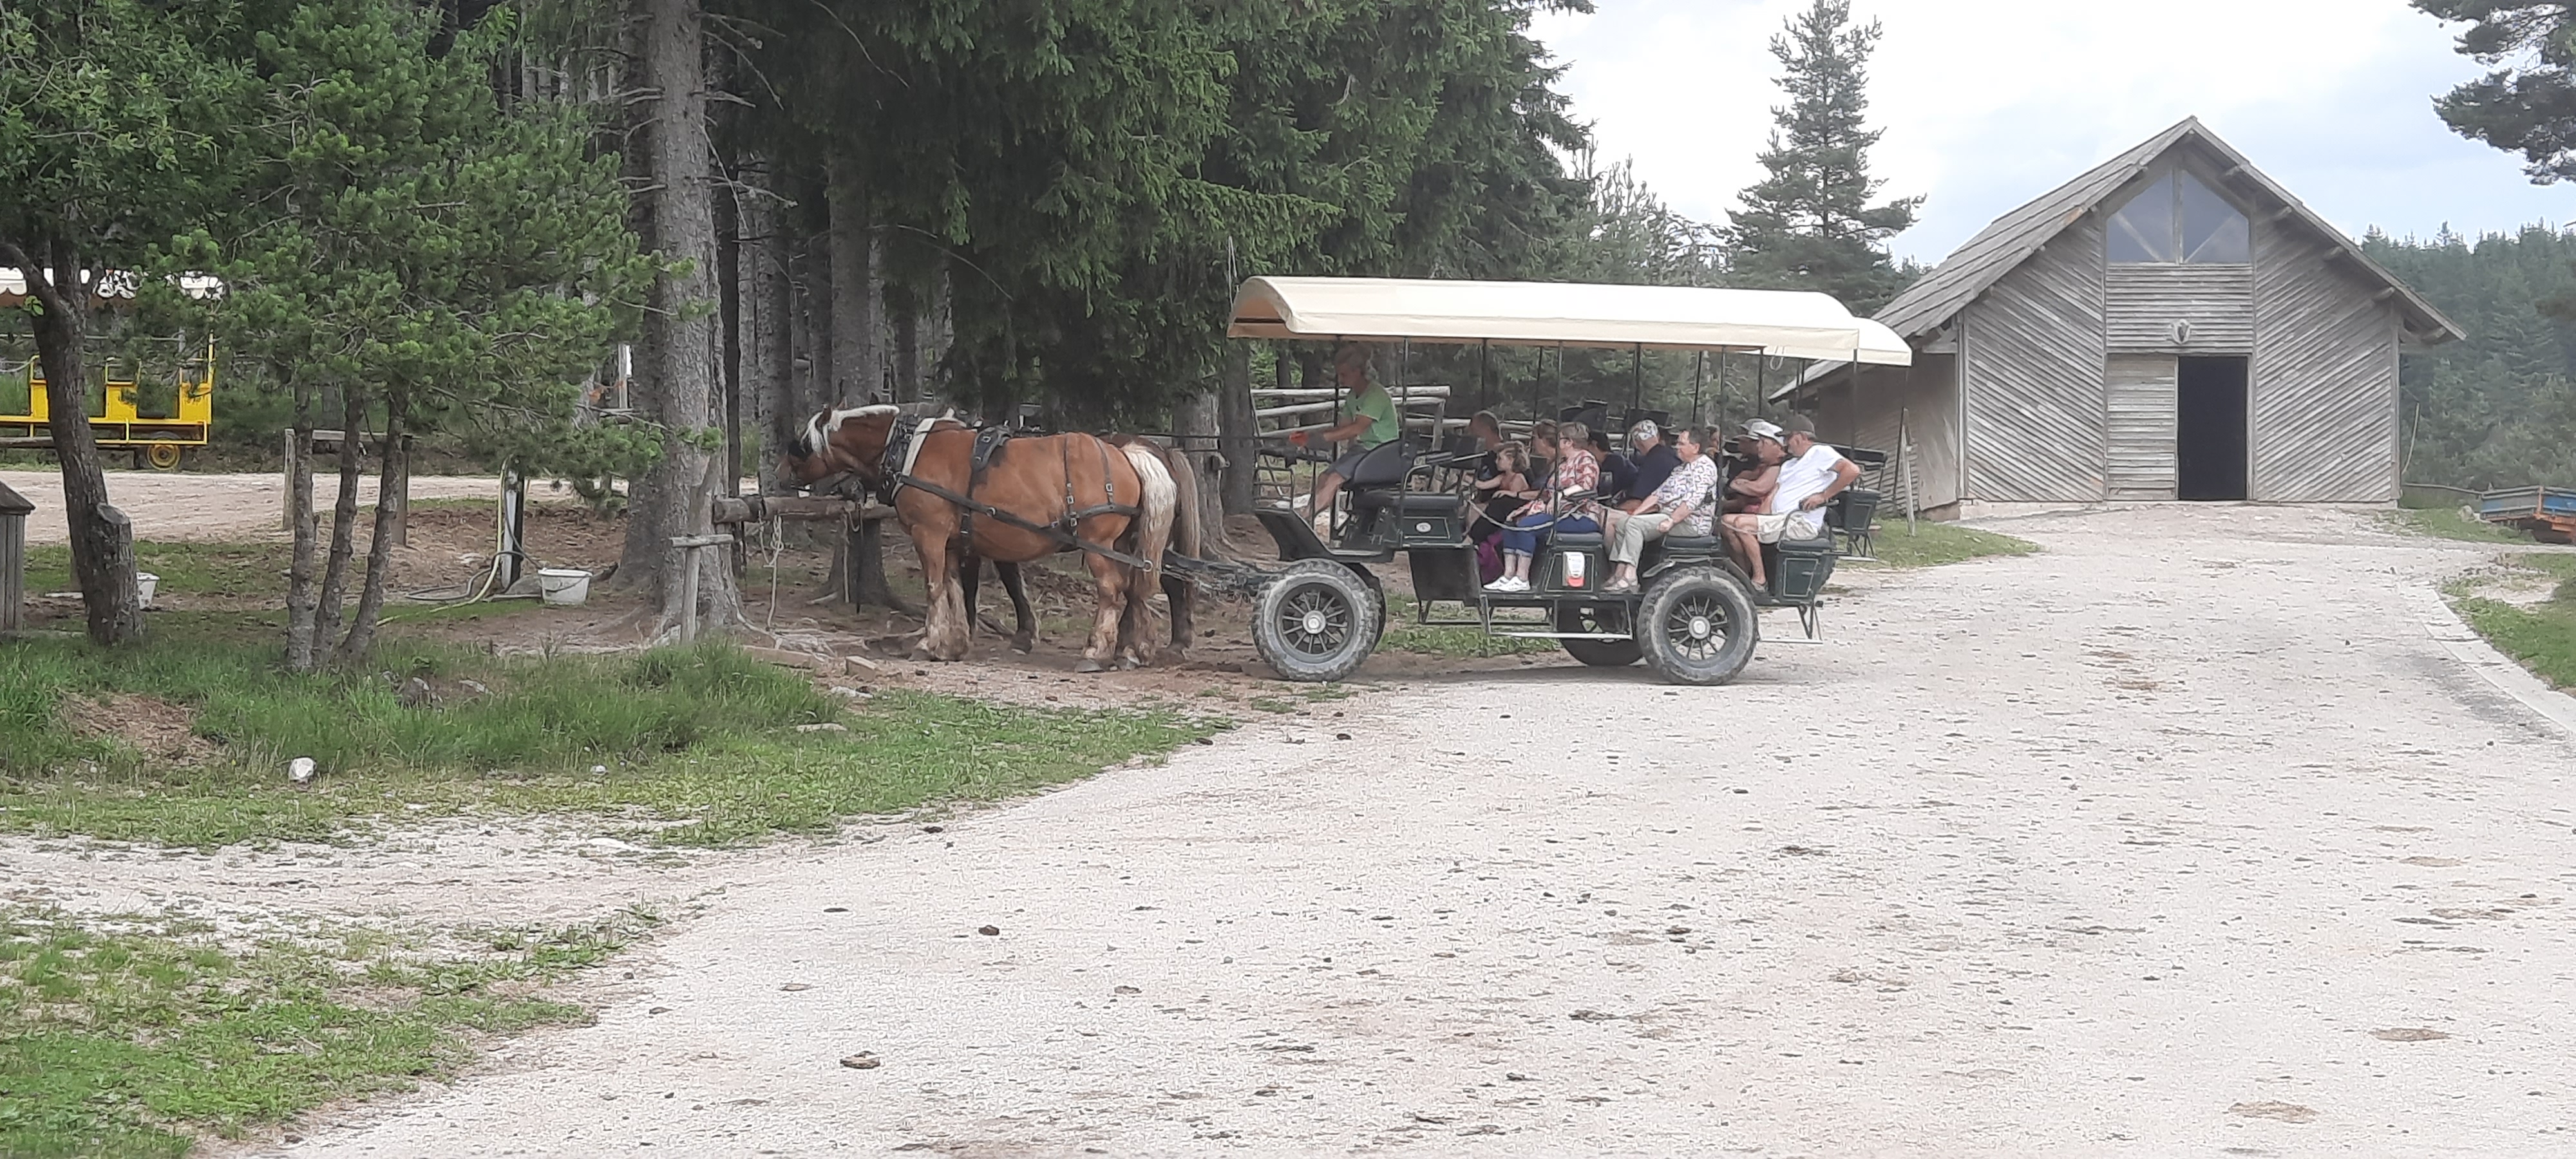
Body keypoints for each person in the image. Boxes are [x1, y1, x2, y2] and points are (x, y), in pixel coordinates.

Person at [1720, 414, 1860, 589]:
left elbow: (1852, 470)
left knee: (1742, 524)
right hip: (1780, 519)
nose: (1786, 444)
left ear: (1800, 437)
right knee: (1727, 522)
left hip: (1800, 521)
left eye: (1788, 438)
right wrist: (1763, 516)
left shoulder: (1820, 452)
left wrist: (1823, 496)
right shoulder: (1789, 465)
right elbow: (1775, 494)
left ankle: (1759, 579)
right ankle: (1743, 574)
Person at [1288, 343, 1402, 520]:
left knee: (1334, 478)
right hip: (1364, 450)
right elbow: (1343, 428)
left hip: (1382, 452)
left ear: (1358, 372)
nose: (1340, 379)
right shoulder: (1352, 396)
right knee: (1324, 476)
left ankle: (1306, 516)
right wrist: (1310, 436)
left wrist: (1322, 439)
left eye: (1344, 374)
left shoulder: (1376, 395)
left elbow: (1357, 428)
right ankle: (1308, 513)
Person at [1600, 425, 1720, 592]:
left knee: (1634, 525)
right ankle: (1619, 573)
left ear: (1695, 447)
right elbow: (1658, 495)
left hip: (1690, 523)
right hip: (1669, 515)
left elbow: (1691, 502)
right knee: (1623, 523)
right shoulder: (1681, 468)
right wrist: (1637, 512)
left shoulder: (1704, 468)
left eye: (1681, 444)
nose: (1677, 447)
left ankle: (1631, 577)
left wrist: (1671, 521)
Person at [1486, 420, 1602, 593]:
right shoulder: (1562, 463)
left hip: (1578, 514)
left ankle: (1522, 578)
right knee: (1512, 522)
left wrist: (1563, 494)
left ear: (1569, 442)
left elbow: (1586, 485)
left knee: (1527, 526)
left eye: (1560, 438)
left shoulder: (1585, 459)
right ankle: (1508, 575)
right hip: (1556, 512)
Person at [1722, 421, 1786, 514]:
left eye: (1763, 442)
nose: (1758, 446)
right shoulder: (1763, 467)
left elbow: (1758, 488)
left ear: (1779, 448)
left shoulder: (1777, 468)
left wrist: (1738, 483)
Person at [1618, 419, 1679, 512]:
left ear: (1638, 443)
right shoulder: (1673, 455)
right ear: (1658, 436)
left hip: (1660, 513)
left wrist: (1614, 508)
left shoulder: (1652, 462)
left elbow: (1637, 502)